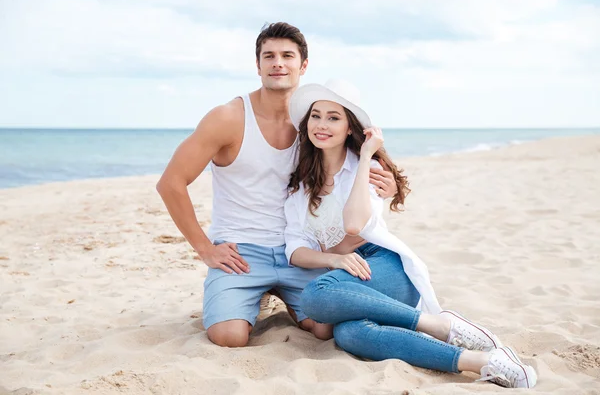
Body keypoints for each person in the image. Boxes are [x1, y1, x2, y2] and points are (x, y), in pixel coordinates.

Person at [283, 79, 538, 389]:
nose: (322, 124)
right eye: (316, 115)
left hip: (386, 267)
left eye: (333, 117)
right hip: (347, 276)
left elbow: (354, 225)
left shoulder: (370, 171)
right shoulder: (300, 187)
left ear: (350, 127)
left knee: (314, 296)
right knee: (349, 334)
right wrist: (333, 260)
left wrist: (365, 157)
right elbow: (295, 249)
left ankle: (438, 325)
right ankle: (481, 362)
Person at [156, 22, 397, 348]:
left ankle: (275, 292)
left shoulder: (313, 123)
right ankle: (251, 294)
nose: (277, 63)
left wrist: (388, 182)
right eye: (268, 56)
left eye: (287, 55)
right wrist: (205, 249)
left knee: (324, 330)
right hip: (242, 252)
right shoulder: (228, 118)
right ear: (258, 65)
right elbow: (171, 183)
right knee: (229, 337)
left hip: (300, 251)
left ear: (303, 65)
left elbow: (353, 156)